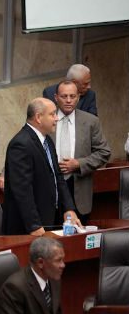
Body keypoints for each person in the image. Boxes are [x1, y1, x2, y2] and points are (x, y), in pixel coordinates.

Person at [3, 98, 81, 236]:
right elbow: (22, 191)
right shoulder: (20, 144)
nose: (56, 118)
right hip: (28, 228)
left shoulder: (47, 140)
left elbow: (58, 177)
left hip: (50, 219)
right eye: (52, 114)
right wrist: (34, 226)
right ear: (38, 117)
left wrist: (68, 209)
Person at [50, 80, 110, 224]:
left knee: (77, 234)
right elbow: (26, 146)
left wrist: (79, 164)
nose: (68, 100)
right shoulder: (46, 119)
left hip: (78, 189)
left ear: (78, 97)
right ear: (56, 97)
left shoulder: (91, 121)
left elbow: (104, 152)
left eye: (72, 96)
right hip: (50, 189)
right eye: (64, 96)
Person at [0, 238, 65, 314]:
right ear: (40, 263)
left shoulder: (54, 279)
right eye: (58, 260)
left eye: (62, 260)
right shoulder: (14, 287)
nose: (63, 265)